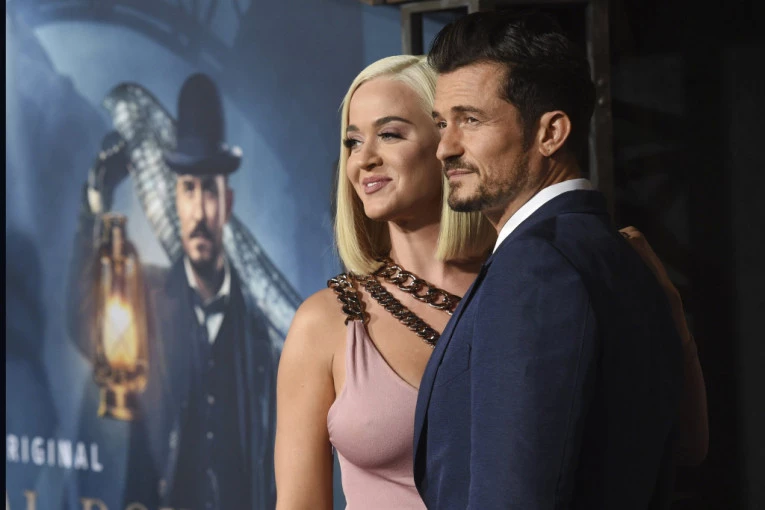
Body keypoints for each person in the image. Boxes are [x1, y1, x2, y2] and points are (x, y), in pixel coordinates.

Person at [275, 54, 706, 509]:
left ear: (447, 143)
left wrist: (669, 316)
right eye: (352, 141)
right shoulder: (324, 323)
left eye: (390, 134)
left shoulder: (536, 284)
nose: (364, 159)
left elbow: (684, 446)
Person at [413, 11, 706, 509]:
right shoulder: (618, 254)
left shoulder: (535, 267)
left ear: (551, 133)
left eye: (470, 120)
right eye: (442, 123)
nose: (444, 147)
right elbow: (687, 449)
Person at [66, 73, 277, 510]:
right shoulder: (143, 299)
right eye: (188, 189)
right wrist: (94, 208)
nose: (199, 211)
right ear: (175, 200)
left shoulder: (259, 333)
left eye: (209, 191)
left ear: (227, 204)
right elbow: (83, 320)